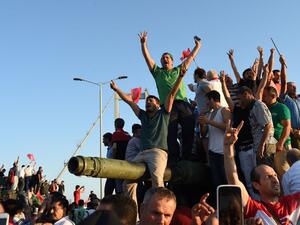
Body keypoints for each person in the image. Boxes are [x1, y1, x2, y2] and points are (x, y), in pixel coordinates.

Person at [110, 64, 187, 208]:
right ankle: (134, 217)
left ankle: (161, 215)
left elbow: (171, 94)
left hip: (158, 153)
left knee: (157, 183)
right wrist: (117, 89)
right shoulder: (143, 116)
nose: (147, 103)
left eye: (151, 101)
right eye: (146, 102)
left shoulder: (164, 114)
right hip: (142, 153)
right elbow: (129, 101)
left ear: (158, 105)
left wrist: (181, 77)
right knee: (127, 183)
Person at [139, 31, 201, 162]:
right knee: (170, 134)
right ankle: (173, 159)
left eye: (167, 57)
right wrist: (144, 44)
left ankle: (187, 157)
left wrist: (197, 46)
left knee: (188, 131)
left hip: (183, 104)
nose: (164, 59)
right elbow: (147, 59)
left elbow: (190, 57)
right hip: (168, 106)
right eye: (162, 58)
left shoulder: (179, 69)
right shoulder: (157, 73)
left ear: (172, 61)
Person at [223, 120, 300, 224]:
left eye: (275, 175)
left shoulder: (292, 202)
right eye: (268, 177)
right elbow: (233, 180)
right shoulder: (253, 209)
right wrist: (228, 147)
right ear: (256, 185)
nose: (275, 180)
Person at [199, 90, 231, 189]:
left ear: (212, 99)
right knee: (217, 183)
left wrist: (208, 121)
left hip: (223, 152)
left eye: (207, 101)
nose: (206, 103)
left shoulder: (224, 110)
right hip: (212, 153)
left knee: (226, 180)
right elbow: (203, 134)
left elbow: (228, 127)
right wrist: (202, 123)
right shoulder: (209, 114)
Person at [262, 86, 292, 178]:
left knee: (284, 172)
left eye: (265, 96)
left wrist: (281, 143)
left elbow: (287, 126)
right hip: (271, 144)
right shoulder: (266, 109)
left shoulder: (281, 107)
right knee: (276, 173)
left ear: (272, 96)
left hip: (282, 145)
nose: (263, 98)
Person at [279, 54, 300, 149]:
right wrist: (283, 65)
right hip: (292, 133)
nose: (295, 88)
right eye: (292, 86)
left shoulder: (298, 99)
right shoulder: (284, 98)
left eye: (296, 86)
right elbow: (283, 82)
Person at [111, 118, 131, 194]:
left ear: (115, 125)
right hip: (128, 161)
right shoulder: (128, 134)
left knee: (119, 186)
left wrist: (112, 160)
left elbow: (114, 148)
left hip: (118, 161)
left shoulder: (115, 134)